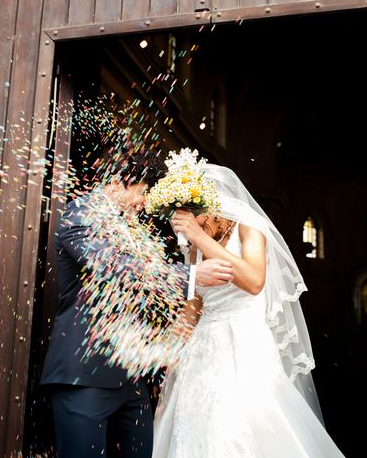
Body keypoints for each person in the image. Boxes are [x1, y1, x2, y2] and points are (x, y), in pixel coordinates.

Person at [40, 152, 235, 458]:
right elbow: (116, 268)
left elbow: (149, 285)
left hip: (130, 378)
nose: (144, 204)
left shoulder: (131, 227)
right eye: (142, 193)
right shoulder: (81, 214)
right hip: (85, 375)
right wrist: (193, 275)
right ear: (119, 183)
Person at [152, 164, 345, 458]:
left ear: (215, 206)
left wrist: (200, 236)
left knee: (240, 424)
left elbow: (254, 281)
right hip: (203, 349)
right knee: (195, 425)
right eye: (192, 228)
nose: (197, 232)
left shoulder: (249, 226)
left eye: (200, 222)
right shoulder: (194, 244)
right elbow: (193, 307)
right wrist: (169, 358)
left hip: (245, 343)